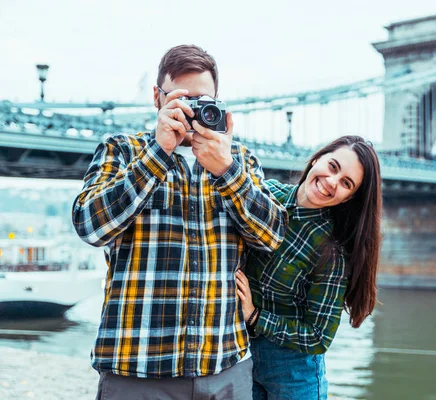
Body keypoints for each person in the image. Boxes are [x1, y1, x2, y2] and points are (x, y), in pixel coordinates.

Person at [72, 44, 287, 400]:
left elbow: (271, 236)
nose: (192, 112)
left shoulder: (241, 161)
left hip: (224, 370)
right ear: (158, 98)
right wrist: (158, 154)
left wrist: (227, 171)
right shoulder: (120, 150)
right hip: (136, 371)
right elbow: (90, 226)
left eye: (203, 101)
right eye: (182, 99)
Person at [235, 135, 383, 400]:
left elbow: (318, 337)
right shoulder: (267, 194)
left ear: (348, 198)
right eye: (333, 166)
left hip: (293, 375)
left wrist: (255, 316)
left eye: (346, 183)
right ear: (317, 158)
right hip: (240, 358)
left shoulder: (331, 250)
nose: (331, 182)